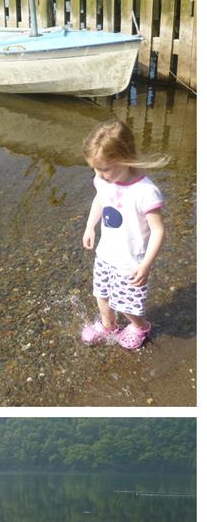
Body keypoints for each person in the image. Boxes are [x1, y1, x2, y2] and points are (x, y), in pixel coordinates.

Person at [80, 120, 167, 351]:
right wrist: (90, 226)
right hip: (106, 254)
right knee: (101, 294)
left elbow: (158, 230)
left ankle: (141, 327)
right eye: (95, 169)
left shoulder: (145, 192)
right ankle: (108, 325)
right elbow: (100, 198)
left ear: (126, 158)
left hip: (131, 262)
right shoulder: (104, 180)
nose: (99, 175)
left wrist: (146, 265)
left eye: (105, 169)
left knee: (127, 304)